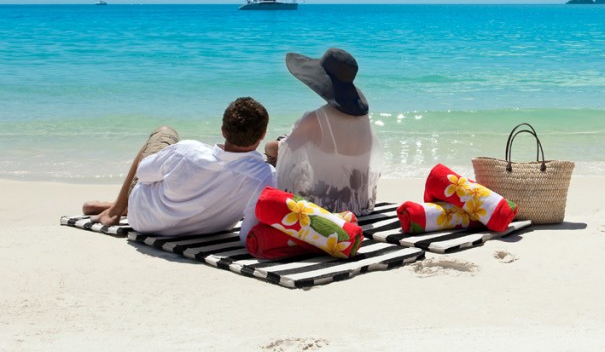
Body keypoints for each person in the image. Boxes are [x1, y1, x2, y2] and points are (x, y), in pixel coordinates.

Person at [82, 96, 275, 241]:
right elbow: (249, 228)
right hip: (209, 229)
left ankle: (116, 209)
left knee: (164, 132)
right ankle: (117, 207)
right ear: (263, 134)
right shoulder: (266, 175)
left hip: (144, 220)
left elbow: (143, 174)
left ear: (223, 130)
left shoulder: (187, 151)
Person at [264, 48, 382, 215]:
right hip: (358, 204)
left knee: (274, 149)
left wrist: (268, 147)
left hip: (325, 206)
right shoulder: (363, 120)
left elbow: (284, 150)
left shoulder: (315, 119)